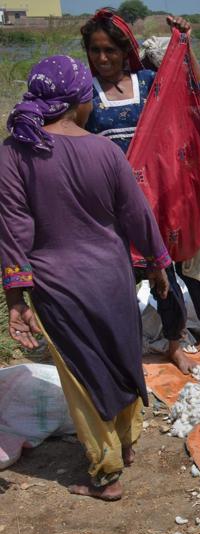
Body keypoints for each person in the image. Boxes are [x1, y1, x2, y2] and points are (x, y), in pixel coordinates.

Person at [1, 55, 171, 501]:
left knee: (82, 374)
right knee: (121, 356)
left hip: (59, 286)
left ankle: (104, 473)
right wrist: (157, 265)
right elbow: (138, 215)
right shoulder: (104, 151)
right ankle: (126, 443)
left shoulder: (15, 154)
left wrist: (16, 297)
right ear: (78, 99)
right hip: (112, 275)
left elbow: (14, 228)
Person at [80, 9, 200, 373]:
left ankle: (173, 344)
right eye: (94, 50)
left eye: (110, 51)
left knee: (166, 276)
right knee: (116, 279)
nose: (102, 59)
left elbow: (196, 94)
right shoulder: (85, 92)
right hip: (108, 204)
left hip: (157, 202)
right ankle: (121, 352)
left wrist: (186, 45)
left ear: (125, 51)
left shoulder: (149, 82)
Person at [140, 34, 200, 352]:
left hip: (190, 198)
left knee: (183, 265)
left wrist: (185, 46)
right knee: (179, 265)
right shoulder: (165, 102)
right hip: (174, 197)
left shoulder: (193, 100)